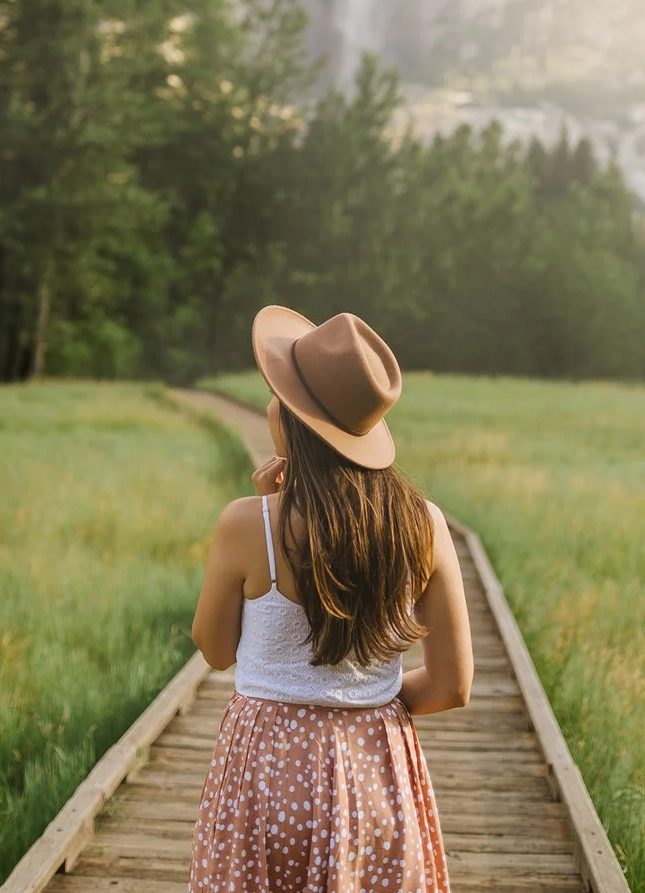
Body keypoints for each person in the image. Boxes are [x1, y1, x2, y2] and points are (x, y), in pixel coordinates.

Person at [188, 306, 474, 893]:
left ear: (294, 419)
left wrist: (267, 507)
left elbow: (215, 651)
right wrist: (369, 703)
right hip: (377, 769)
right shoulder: (424, 524)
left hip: (265, 771)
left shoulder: (248, 524)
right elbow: (452, 686)